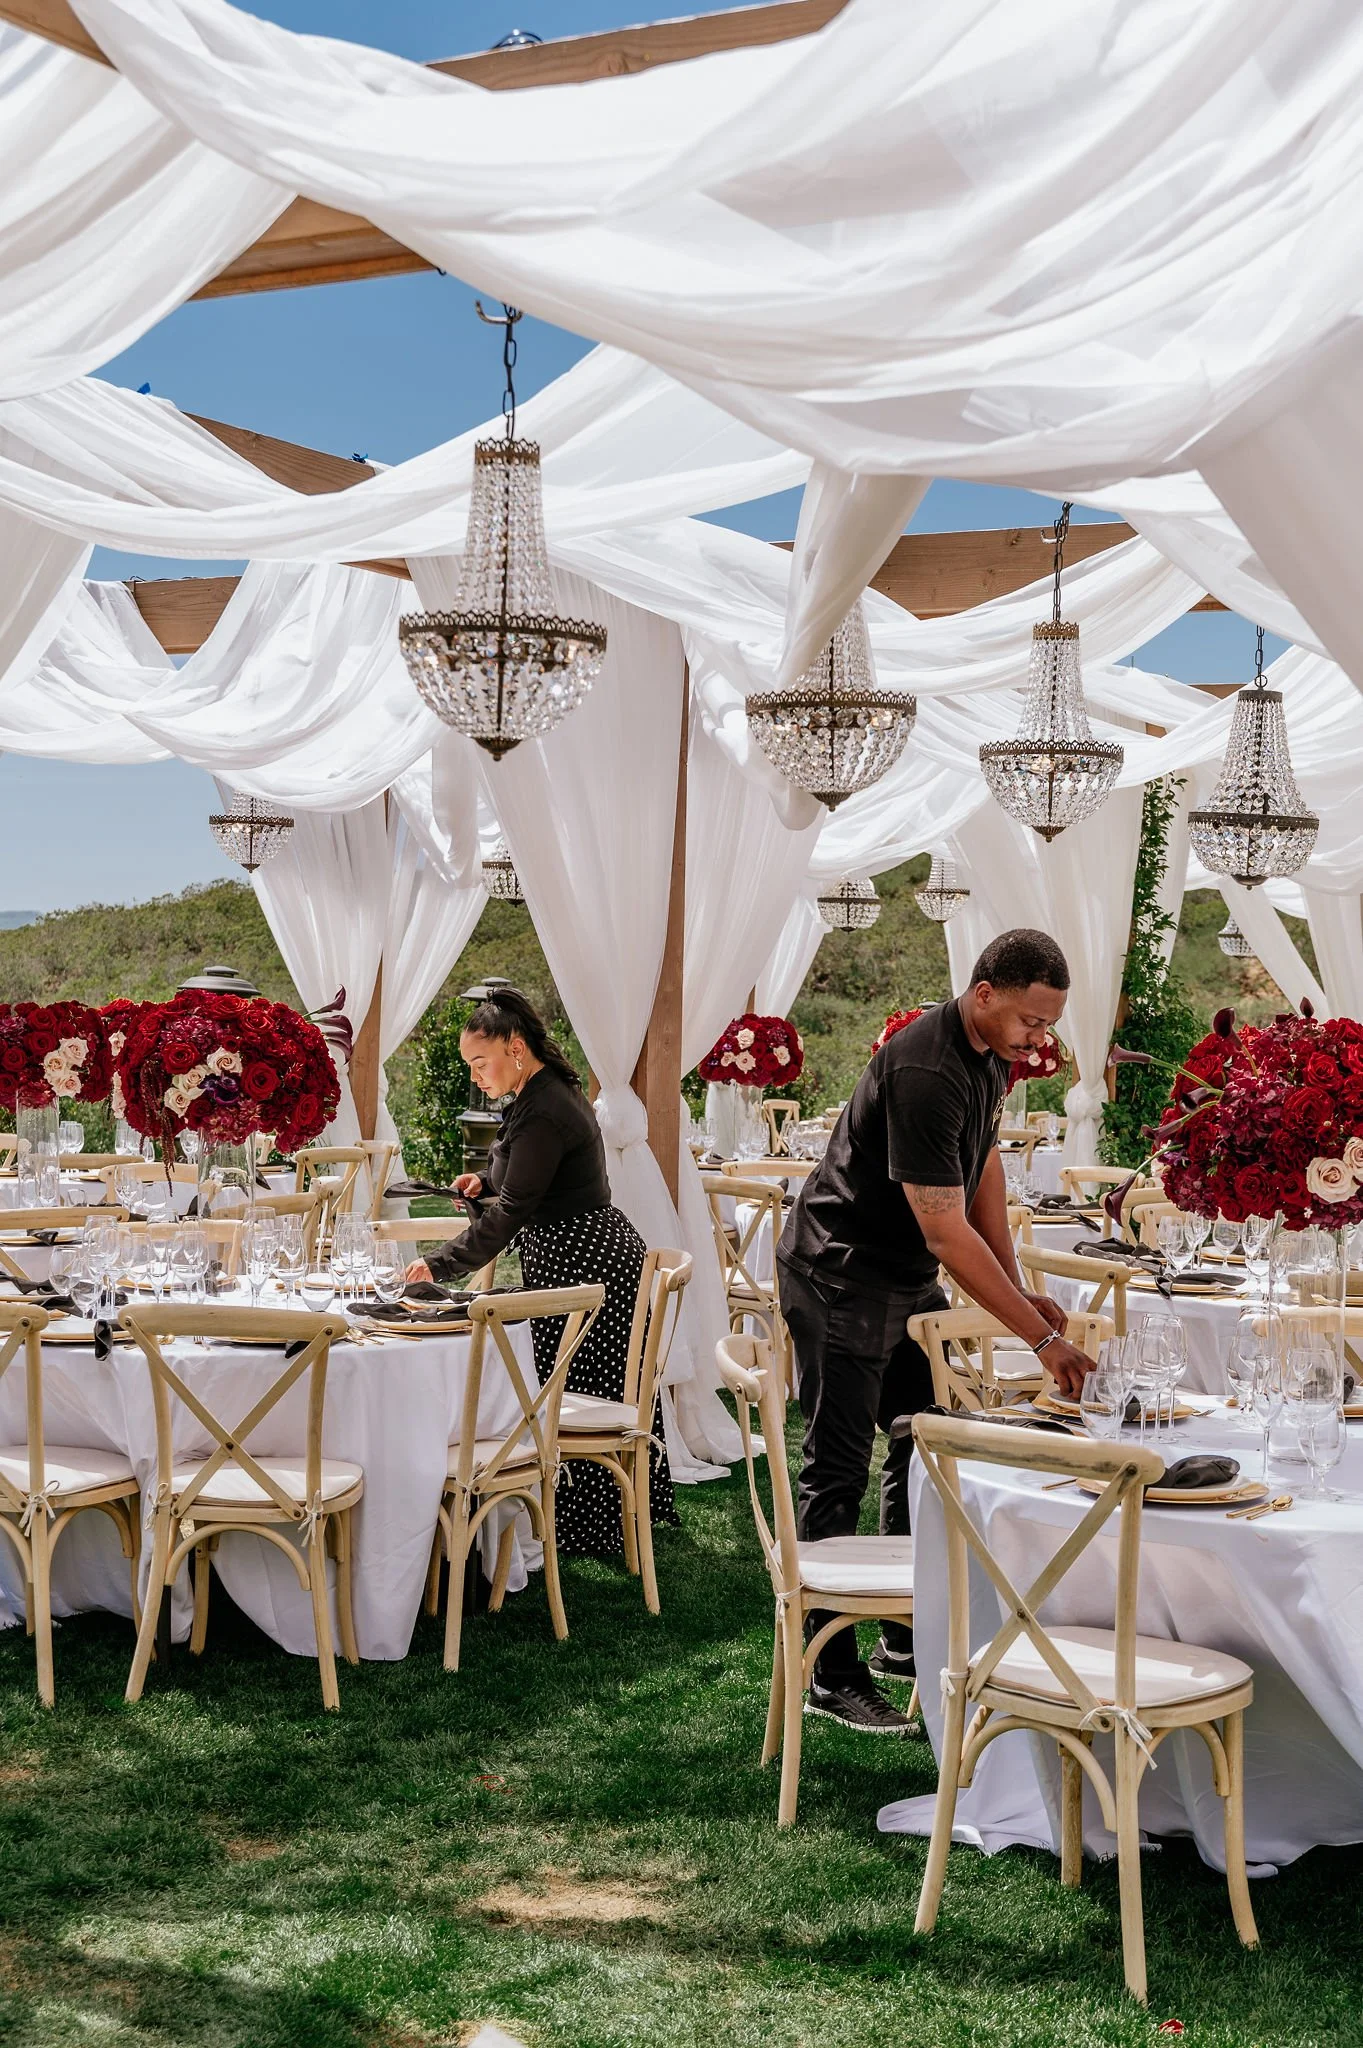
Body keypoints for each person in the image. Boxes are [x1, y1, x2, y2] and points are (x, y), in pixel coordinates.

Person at [776, 928, 1091, 1732]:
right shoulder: (925, 1066)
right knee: (836, 1467)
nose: (1037, 1038)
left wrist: (1018, 1287)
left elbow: (980, 1162)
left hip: (901, 1277)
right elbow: (946, 1231)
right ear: (983, 992)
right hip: (840, 1271)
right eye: (1029, 1020)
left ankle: (900, 1632)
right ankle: (826, 1669)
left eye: (1047, 1024)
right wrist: (1039, 1338)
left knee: (927, 1439)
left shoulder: (989, 1053)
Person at [405, 986, 675, 1557]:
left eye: (481, 1062)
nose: (476, 1075)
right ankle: (581, 1517)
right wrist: (486, 1182)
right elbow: (522, 1182)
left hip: (587, 1268)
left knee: (572, 1385)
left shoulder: (545, 1108)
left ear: (515, 1048)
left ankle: (584, 1525)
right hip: (573, 1258)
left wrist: (438, 1264)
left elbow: (513, 1213)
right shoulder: (539, 1093)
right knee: (556, 1377)